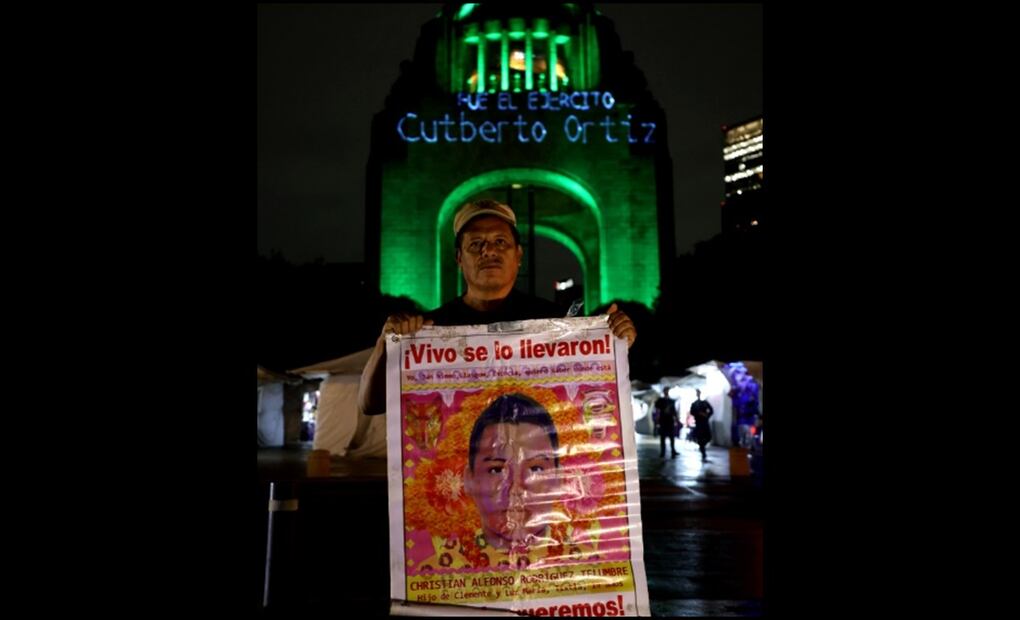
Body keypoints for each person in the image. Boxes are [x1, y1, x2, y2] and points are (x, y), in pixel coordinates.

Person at [358, 199, 637, 416]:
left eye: (500, 242)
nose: (488, 251)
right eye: (476, 244)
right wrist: (385, 344)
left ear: (518, 255)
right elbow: (370, 404)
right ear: (459, 258)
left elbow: (591, 395)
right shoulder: (429, 329)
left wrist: (612, 342)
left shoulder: (556, 324)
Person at [463, 393, 562, 552]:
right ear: (469, 480)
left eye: (536, 469)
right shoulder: (436, 569)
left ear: (559, 480)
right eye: (496, 470)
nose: (516, 489)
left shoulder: (593, 562)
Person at [690, 388, 714, 462]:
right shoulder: (694, 404)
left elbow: (711, 410)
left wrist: (706, 415)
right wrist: (698, 414)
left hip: (705, 422)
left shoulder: (705, 402)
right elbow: (692, 412)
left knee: (708, 437)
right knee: (700, 438)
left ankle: (702, 446)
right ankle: (703, 452)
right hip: (698, 422)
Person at [653, 392, 679, 458]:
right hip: (663, 421)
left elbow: (674, 411)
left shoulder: (671, 401)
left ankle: (672, 451)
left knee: (671, 437)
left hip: (669, 421)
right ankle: (663, 452)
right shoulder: (661, 400)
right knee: (663, 437)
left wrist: (676, 419)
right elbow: (656, 405)